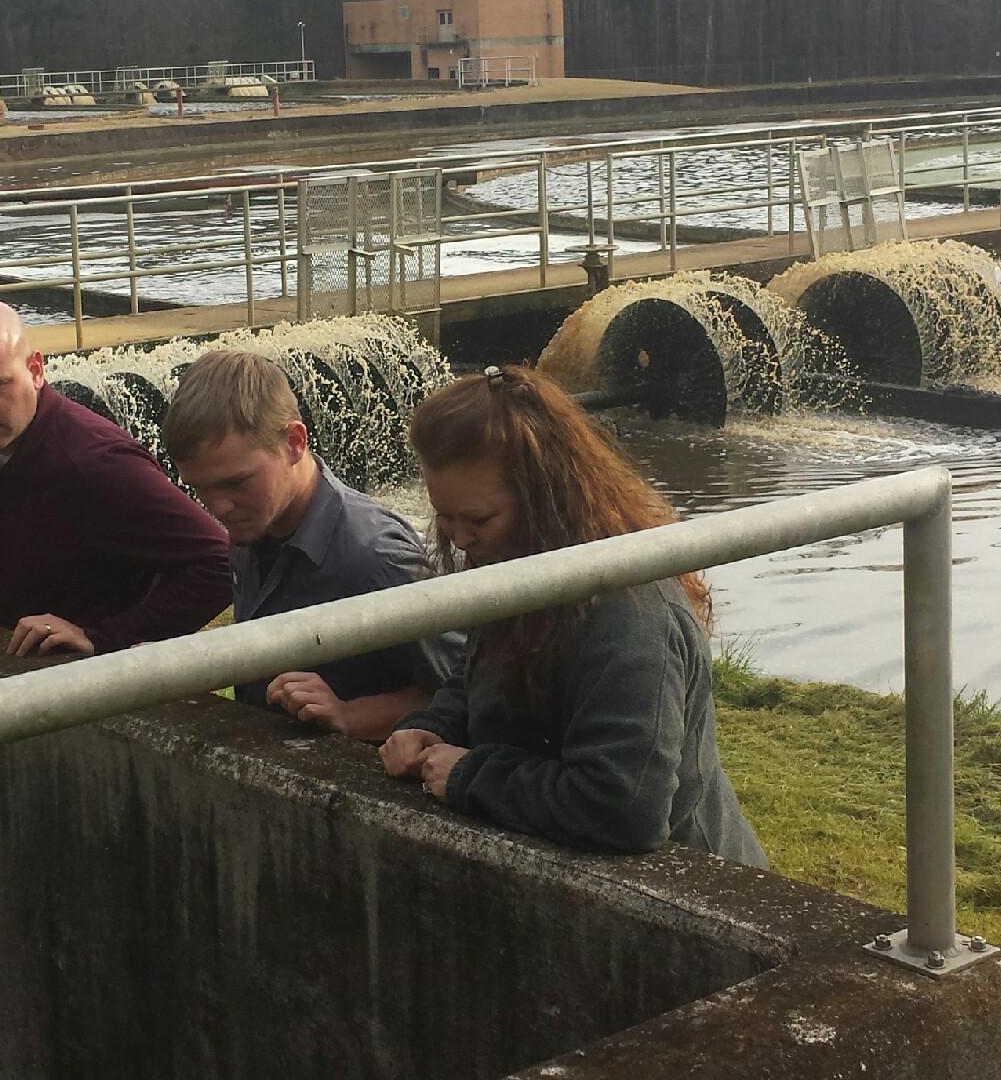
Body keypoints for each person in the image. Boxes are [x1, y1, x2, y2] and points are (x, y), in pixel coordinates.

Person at [380, 364, 768, 867]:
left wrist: (471, 775)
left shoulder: (631, 612)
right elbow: (480, 673)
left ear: (545, 498)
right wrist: (435, 726)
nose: (458, 538)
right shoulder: (518, 562)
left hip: (699, 898)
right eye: (444, 516)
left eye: (478, 519)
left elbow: (623, 806)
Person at [0, 298, 231, 656]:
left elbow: (220, 563)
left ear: (36, 370)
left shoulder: (96, 463)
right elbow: (13, 527)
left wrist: (103, 637)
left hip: (101, 689)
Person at [161, 349, 453, 741]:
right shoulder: (256, 523)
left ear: (295, 442)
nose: (217, 508)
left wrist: (348, 715)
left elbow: (464, 695)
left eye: (236, 483)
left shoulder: (374, 557)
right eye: (200, 489)